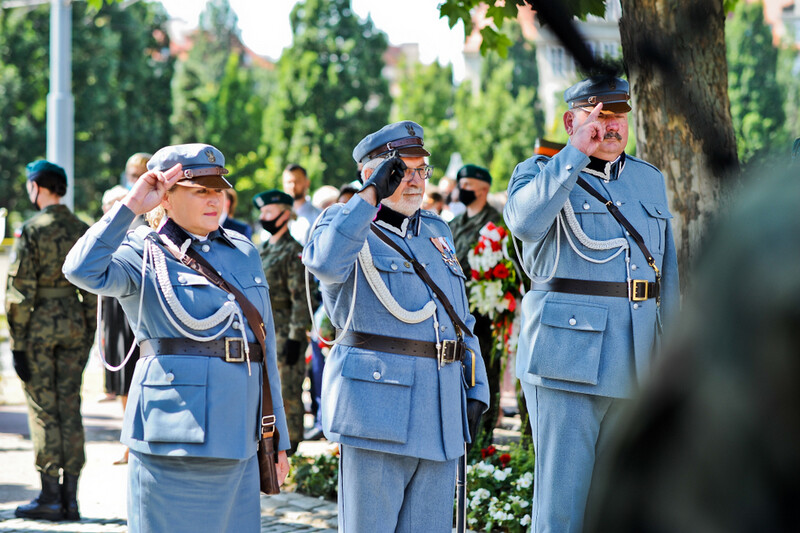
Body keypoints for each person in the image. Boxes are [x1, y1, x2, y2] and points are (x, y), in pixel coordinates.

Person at [63, 143, 291, 532]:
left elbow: (262, 347)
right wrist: (130, 207)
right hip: (175, 437)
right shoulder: (141, 250)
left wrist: (276, 436)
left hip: (239, 436)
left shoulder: (243, 252)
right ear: (165, 197)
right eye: (199, 190)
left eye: (218, 189)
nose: (213, 199)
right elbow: (80, 270)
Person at [503, 76, 680, 533]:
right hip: (567, 362)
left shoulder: (648, 179)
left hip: (638, 358)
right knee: (562, 508)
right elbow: (523, 223)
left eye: (618, 115)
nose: (611, 125)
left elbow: (666, 275)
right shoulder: (539, 172)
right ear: (572, 120)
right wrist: (573, 156)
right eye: (599, 115)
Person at [303, 121, 489, 532]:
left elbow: (461, 319)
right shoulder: (342, 224)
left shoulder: (437, 231)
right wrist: (369, 196)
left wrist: (477, 387)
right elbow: (325, 263)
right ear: (372, 176)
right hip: (377, 412)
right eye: (400, 171)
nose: (415, 181)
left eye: (422, 170)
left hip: (440, 410)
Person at [6, 160, 97, 521]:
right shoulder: (83, 229)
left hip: (40, 330)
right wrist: (88, 333)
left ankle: (48, 495)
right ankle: (71, 499)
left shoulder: (32, 229)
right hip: (74, 326)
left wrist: (16, 343)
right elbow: (93, 291)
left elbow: (19, 291)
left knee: (44, 412)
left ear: (37, 186)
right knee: (70, 406)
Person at [253, 189, 313, 455]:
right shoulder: (263, 248)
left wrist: (295, 339)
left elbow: (301, 298)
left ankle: (292, 447)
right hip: (264, 333)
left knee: (288, 392)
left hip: (286, 333)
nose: (263, 217)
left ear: (285, 215)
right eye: (262, 213)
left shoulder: (294, 252)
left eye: (269, 212)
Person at [448, 164, 504, 444]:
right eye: (461, 184)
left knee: (485, 375)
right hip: (453, 314)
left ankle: (483, 440)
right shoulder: (453, 224)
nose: (462, 189)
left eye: (468, 184)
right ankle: (459, 438)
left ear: (484, 189)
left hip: (484, 314)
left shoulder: (497, 224)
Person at [98, 181, 149, 466]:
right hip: (111, 312)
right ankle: (128, 435)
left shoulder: (138, 236)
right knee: (120, 383)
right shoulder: (104, 236)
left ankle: (135, 440)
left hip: (133, 311)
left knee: (134, 377)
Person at [282, 163, 321, 245]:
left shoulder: (319, 217)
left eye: (297, 181)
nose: (293, 186)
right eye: (289, 182)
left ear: (307, 183)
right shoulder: (278, 217)